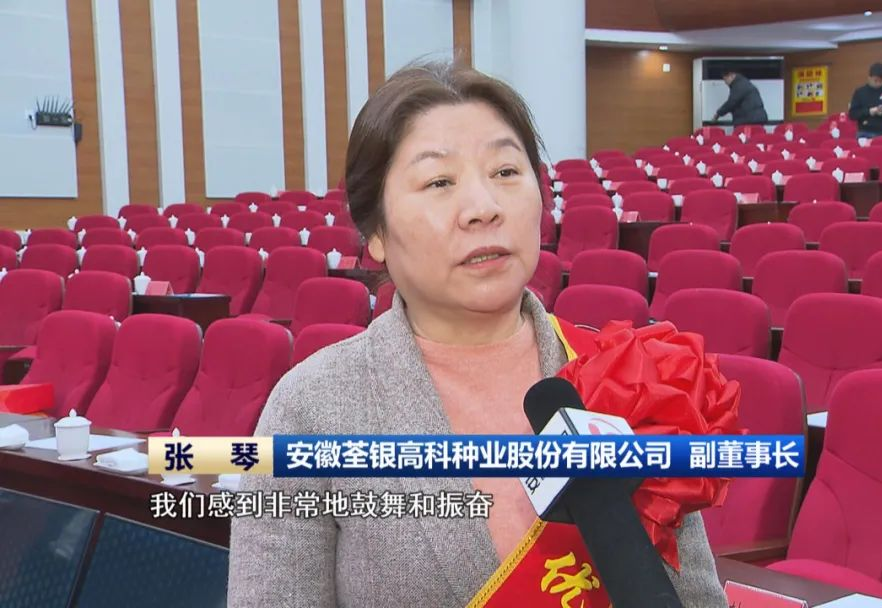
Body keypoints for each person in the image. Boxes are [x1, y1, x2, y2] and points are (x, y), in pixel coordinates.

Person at [227, 61, 728, 607]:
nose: (484, 208)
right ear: (376, 232)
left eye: (506, 172)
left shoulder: (626, 378)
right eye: (439, 182)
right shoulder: (311, 408)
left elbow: (696, 597)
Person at [848, 62, 882, 139]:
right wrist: (869, 111)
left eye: (881, 81)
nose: (878, 83)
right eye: (875, 80)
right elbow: (852, 114)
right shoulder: (860, 92)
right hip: (864, 132)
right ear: (869, 77)